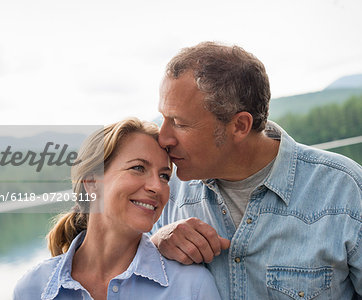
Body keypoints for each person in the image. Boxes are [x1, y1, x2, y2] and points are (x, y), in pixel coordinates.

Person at [150, 42, 362, 299]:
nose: (163, 138)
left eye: (179, 123)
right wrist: (156, 245)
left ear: (239, 125)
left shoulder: (345, 190)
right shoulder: (163, 190)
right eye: (162, 118)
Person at [13, 118, 221, 300]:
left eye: (164, 176)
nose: (157, 187)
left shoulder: (192, 288)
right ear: (92, 182)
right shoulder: (32, 289)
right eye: (138, 168)